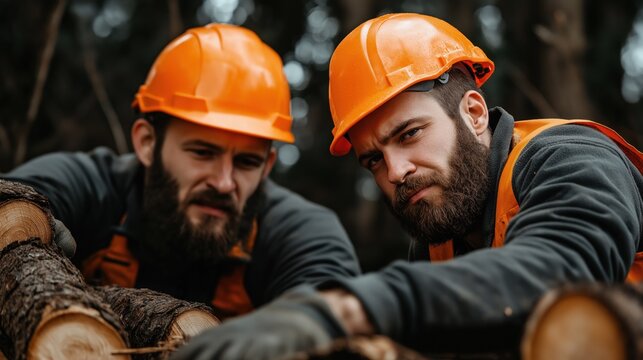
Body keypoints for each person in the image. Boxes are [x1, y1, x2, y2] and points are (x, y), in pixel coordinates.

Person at [172, 13, 643, 359]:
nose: (395, 172)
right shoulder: (440, 238)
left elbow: (567, 265)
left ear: (475, 114)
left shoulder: (571, 157)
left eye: (409, 134)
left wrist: (348, 307)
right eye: (373, 159)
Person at [3, 23, 360, 319]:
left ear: (267, 167)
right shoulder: (89, 186)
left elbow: (333, 317)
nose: (223, 183)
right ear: (146, 142)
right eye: (203, 153)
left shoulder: (298, 234)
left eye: (246, 162)